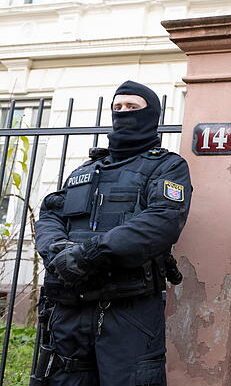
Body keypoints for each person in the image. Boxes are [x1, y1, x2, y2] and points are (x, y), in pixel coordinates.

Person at [34, 80, 192, 385]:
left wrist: (88, 254)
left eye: (132, 107)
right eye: (117, 108)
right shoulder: (85, 170)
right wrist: (56, 250)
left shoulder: (168, 167)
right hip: (70, 307)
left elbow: (162, 221)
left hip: (128, 310)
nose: (123, 113)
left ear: (151, 115)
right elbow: (51, 212)